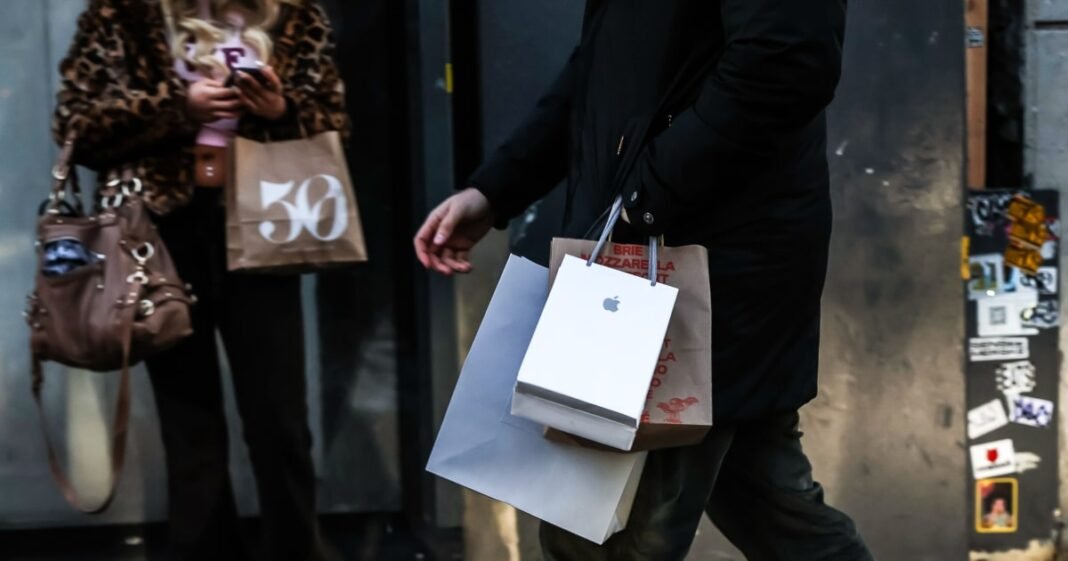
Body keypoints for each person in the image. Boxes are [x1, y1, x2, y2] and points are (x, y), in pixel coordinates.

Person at [415, 0, 874, 559]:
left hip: (690, 276)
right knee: (771, 510)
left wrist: (644, 199)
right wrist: (499, 187)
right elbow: (606, 68)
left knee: (600, 539)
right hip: (679, 264)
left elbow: (786, 62)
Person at [53, 0, 347, 559]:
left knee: (280, 421)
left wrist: (281, 108)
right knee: (190, 428)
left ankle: (295, 548)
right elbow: (74, 124)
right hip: (158, 237)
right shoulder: (121, 14)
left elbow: (335, 121)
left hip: (267, 225)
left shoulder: (296, 15)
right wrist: (177, 108)